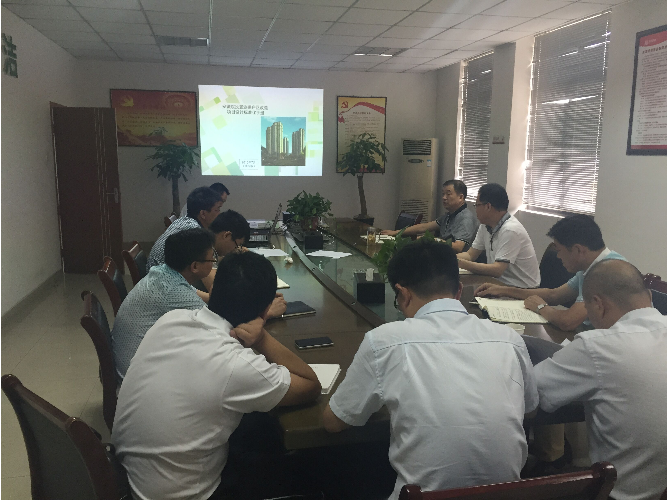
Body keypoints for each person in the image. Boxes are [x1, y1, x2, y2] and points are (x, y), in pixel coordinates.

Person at [322, 240, 538, 499]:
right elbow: (530, 409)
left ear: (403, 294)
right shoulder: (509, 339)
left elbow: (334, 422)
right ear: (459, 291)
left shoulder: (384, 341)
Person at [112, 251, 322, 500]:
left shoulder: (171, 318)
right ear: (266, 311)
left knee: (254, 423)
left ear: (213, 288)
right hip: (187, 495)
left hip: (130, 477)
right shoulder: (236, 366)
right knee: (310, 470)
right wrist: (262, 338)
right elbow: (310, 385)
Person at [534, 260, 667, 499]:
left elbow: (530, 391)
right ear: (648, 295)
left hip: (618, 494)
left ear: (597, 304)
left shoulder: (597, 346)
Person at [475, 214, 627, 331]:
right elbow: (554, 295)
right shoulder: (590, 267)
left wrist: (541, 307)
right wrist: (503, 290)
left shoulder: (606, 272)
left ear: (578, 250)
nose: (558, 256)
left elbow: (568, 321)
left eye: (559, 250)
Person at [111, 228, 215, 382]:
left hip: (132, 362)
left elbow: (201, 297)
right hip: (137, 380)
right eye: (212, 260)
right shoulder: (173, 291)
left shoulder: (164, 272)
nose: (213, 264)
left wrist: (216, 296)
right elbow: (217, 327)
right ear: (194, 267)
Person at [205, 209, 287, 319]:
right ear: (227, 236)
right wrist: (267, 311)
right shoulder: (203, 251)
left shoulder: (208, 245)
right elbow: (223, 294)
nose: (236, 249)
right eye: (237, 244)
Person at [457, 183, 540, 288]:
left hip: (521, 289)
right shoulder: (485, 225)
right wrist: (449, 258)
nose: (475, 210)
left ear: (488, 206)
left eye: (477, 205)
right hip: (499, 283)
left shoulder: (510, 230)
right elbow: (470, 255)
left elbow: (497, 270)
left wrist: (460, 263)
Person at [380, 180, 477, 252]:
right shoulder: (449, 215)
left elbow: (458, 247)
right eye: (443, 194)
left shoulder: (465, 218)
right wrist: (395, 232)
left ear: (461, 197)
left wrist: (430, 240)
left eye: (448, 194)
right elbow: (424, 227)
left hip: (455, 262)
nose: (444, 198)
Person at [147, 186, 223, 271]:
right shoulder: (194, 232)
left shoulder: (183, 221)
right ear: (203, 214)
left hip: (155, 273)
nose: (219, 214)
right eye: (217, 210)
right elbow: (206, 269)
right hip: (164, 276)